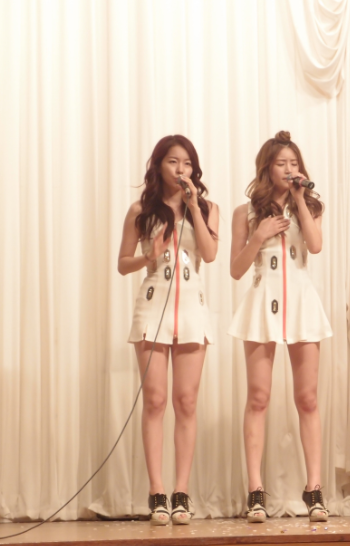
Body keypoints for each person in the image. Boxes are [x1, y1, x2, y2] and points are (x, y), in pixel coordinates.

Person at [229, 131, 332, 523]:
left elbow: (316, 246)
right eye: (281, 163)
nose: (289, 169)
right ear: (267, 168)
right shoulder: (246, 212)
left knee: (308, 398)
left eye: (294, 163)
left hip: (301, 300)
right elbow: (236, 270)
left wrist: (301, 201)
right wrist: (258, 236)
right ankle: (255, 489)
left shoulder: (312, 205)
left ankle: (314, 487)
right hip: (263, 299)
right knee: (258, 397)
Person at [118, 135, 219, 525]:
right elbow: (122, 263)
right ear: (159, 165)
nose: (181, 169)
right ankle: (157, 492)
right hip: (153, 305)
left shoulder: (207, 208)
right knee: (155, 401)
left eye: (187, 163)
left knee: (186, 402)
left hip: (192, 307)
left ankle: (182, 492)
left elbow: (209, 254)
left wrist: (193, 207)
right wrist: (150, 254)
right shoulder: (141, 210)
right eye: (173, 162)